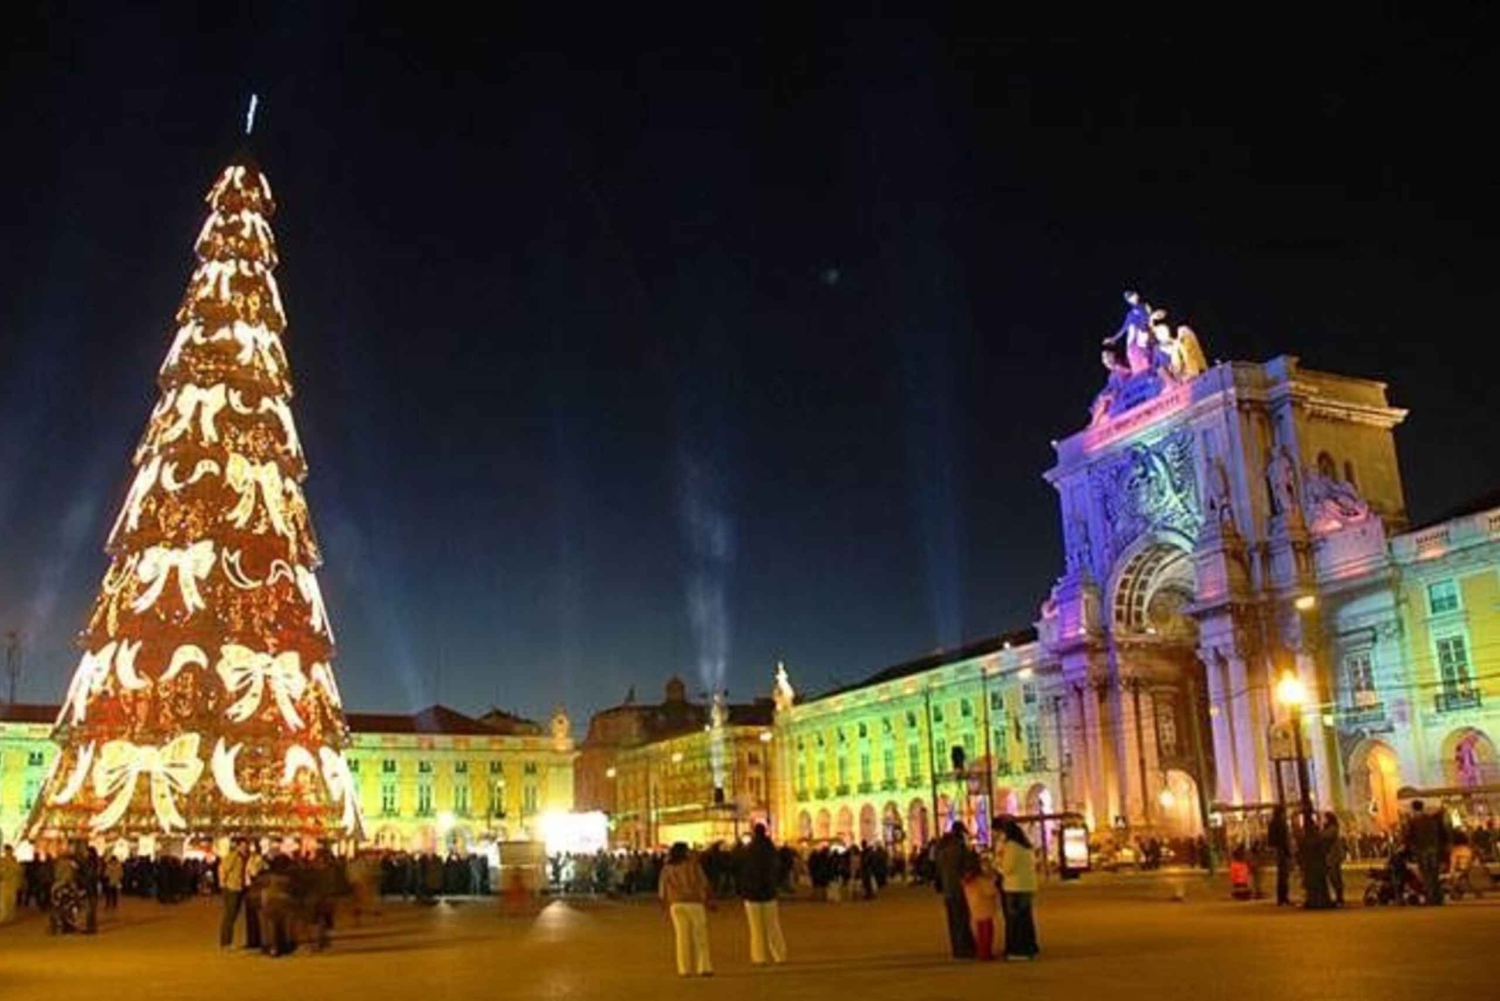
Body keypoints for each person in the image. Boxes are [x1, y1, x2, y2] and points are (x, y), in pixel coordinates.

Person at [736, 824, 788, 966]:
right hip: (768, 892)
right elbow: (779, 867)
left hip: (751, 893)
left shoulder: (748, 850)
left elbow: (737, 867)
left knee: (756, 928)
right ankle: (780, 955)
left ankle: (759, 957)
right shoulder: (770, 849)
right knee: (773, 926)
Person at [659, 843, 713, 977]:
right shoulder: (694, 866)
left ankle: (684, 969)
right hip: (694, 902)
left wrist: (664, 904)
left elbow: (662, 889)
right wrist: (708, 901)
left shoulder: (667, 868)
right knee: (700, 936)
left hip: (676, 904)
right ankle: (704, 966)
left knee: (682, 937)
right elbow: (704, 883)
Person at [997, 818, 1040, 961]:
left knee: (1015, 920)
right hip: (1027, 886)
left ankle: (1017, 950)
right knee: (1026, 918)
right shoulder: (1026, 846)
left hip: (1014, 887)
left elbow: (1007, 868)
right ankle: (1029, 947)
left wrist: (997, 865)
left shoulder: (1011, 846)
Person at [934, 822, 976, 959]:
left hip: (948, 889)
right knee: (962, 918)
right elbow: (968, 867)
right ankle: (966, 947)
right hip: (959, 888)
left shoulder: (942, 850)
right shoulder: (960, 848)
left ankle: (957, 948)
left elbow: (938, 870)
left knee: (953, 920)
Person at [960, 854, 998, 961]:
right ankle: (986, 952)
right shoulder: (980, 879)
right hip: (984, 905)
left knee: (980, 929)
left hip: (975, 906)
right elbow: (990, 891)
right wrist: (993, 881)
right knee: (987, 930)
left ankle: (981, 950)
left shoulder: (967, 879)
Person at [1405, 800, 1444, 905]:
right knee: (1434, 874)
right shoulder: (1431, 820)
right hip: (1434, 850)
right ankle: (1438, 897)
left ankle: (1431, 898)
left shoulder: (1413, 821)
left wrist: (1407, 847)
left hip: (1422, 850)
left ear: (1413, 808)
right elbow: (1440, 833)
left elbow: (1409, 837)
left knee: (1426, 874)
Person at [220, 840, 249, 949]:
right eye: (242, 846)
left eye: (246, 846)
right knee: (229, 915)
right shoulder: (233, 856)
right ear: (237, 846)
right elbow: (224, 868)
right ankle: (226, 942)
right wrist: (223, 883)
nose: (244, 848)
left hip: (239, 888)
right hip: (231, 888)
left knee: (234, 915)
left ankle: (227, 942)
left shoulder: (244, 857)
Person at [1268, 806, 1292, 906]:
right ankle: (1283, 897)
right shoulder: (1281, 823)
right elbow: (1284, 838)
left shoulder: (1272, 823)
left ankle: (1281, 898)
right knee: (1284, 875)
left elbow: (1271, 839)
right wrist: (1288, 852)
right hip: (1282, 850)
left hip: (1278, 849)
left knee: (1281, 875)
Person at [1322, 812, 1346, 907]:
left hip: (1334, 856)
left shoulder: (1333, 829)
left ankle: (1339, 897)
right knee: (1335, 877)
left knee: (1335, 877)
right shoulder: (1331, 828)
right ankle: (1339, 897)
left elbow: (1324, 836)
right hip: (1333, 856)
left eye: (1326, 818)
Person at [0, 845, 21, 924]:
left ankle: (10, 917)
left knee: (12, 901)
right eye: (7, 850)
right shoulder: (2, 860)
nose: (8, 852)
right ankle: (3, 917)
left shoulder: (14, 860)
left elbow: (18, 870)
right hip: (4, 883)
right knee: (3, 902)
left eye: (9, 850)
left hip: (12, 883)